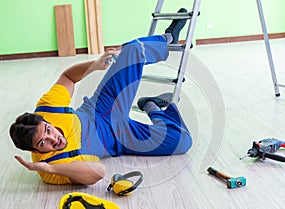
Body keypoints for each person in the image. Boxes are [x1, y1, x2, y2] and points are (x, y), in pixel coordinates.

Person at [9, 8, 193, 185]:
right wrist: (51, 169)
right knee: (183, 142)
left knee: (134, 49)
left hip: (101, 108)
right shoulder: (52, 166)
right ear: (35, 150)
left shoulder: (48, 108)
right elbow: (98, 171)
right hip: (118, 138)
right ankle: (151, 105)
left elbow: (68, 77)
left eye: (48, 130)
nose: (54, 139)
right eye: (44, 143)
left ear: (45, 121)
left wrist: (95, 65)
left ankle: (167, 38)